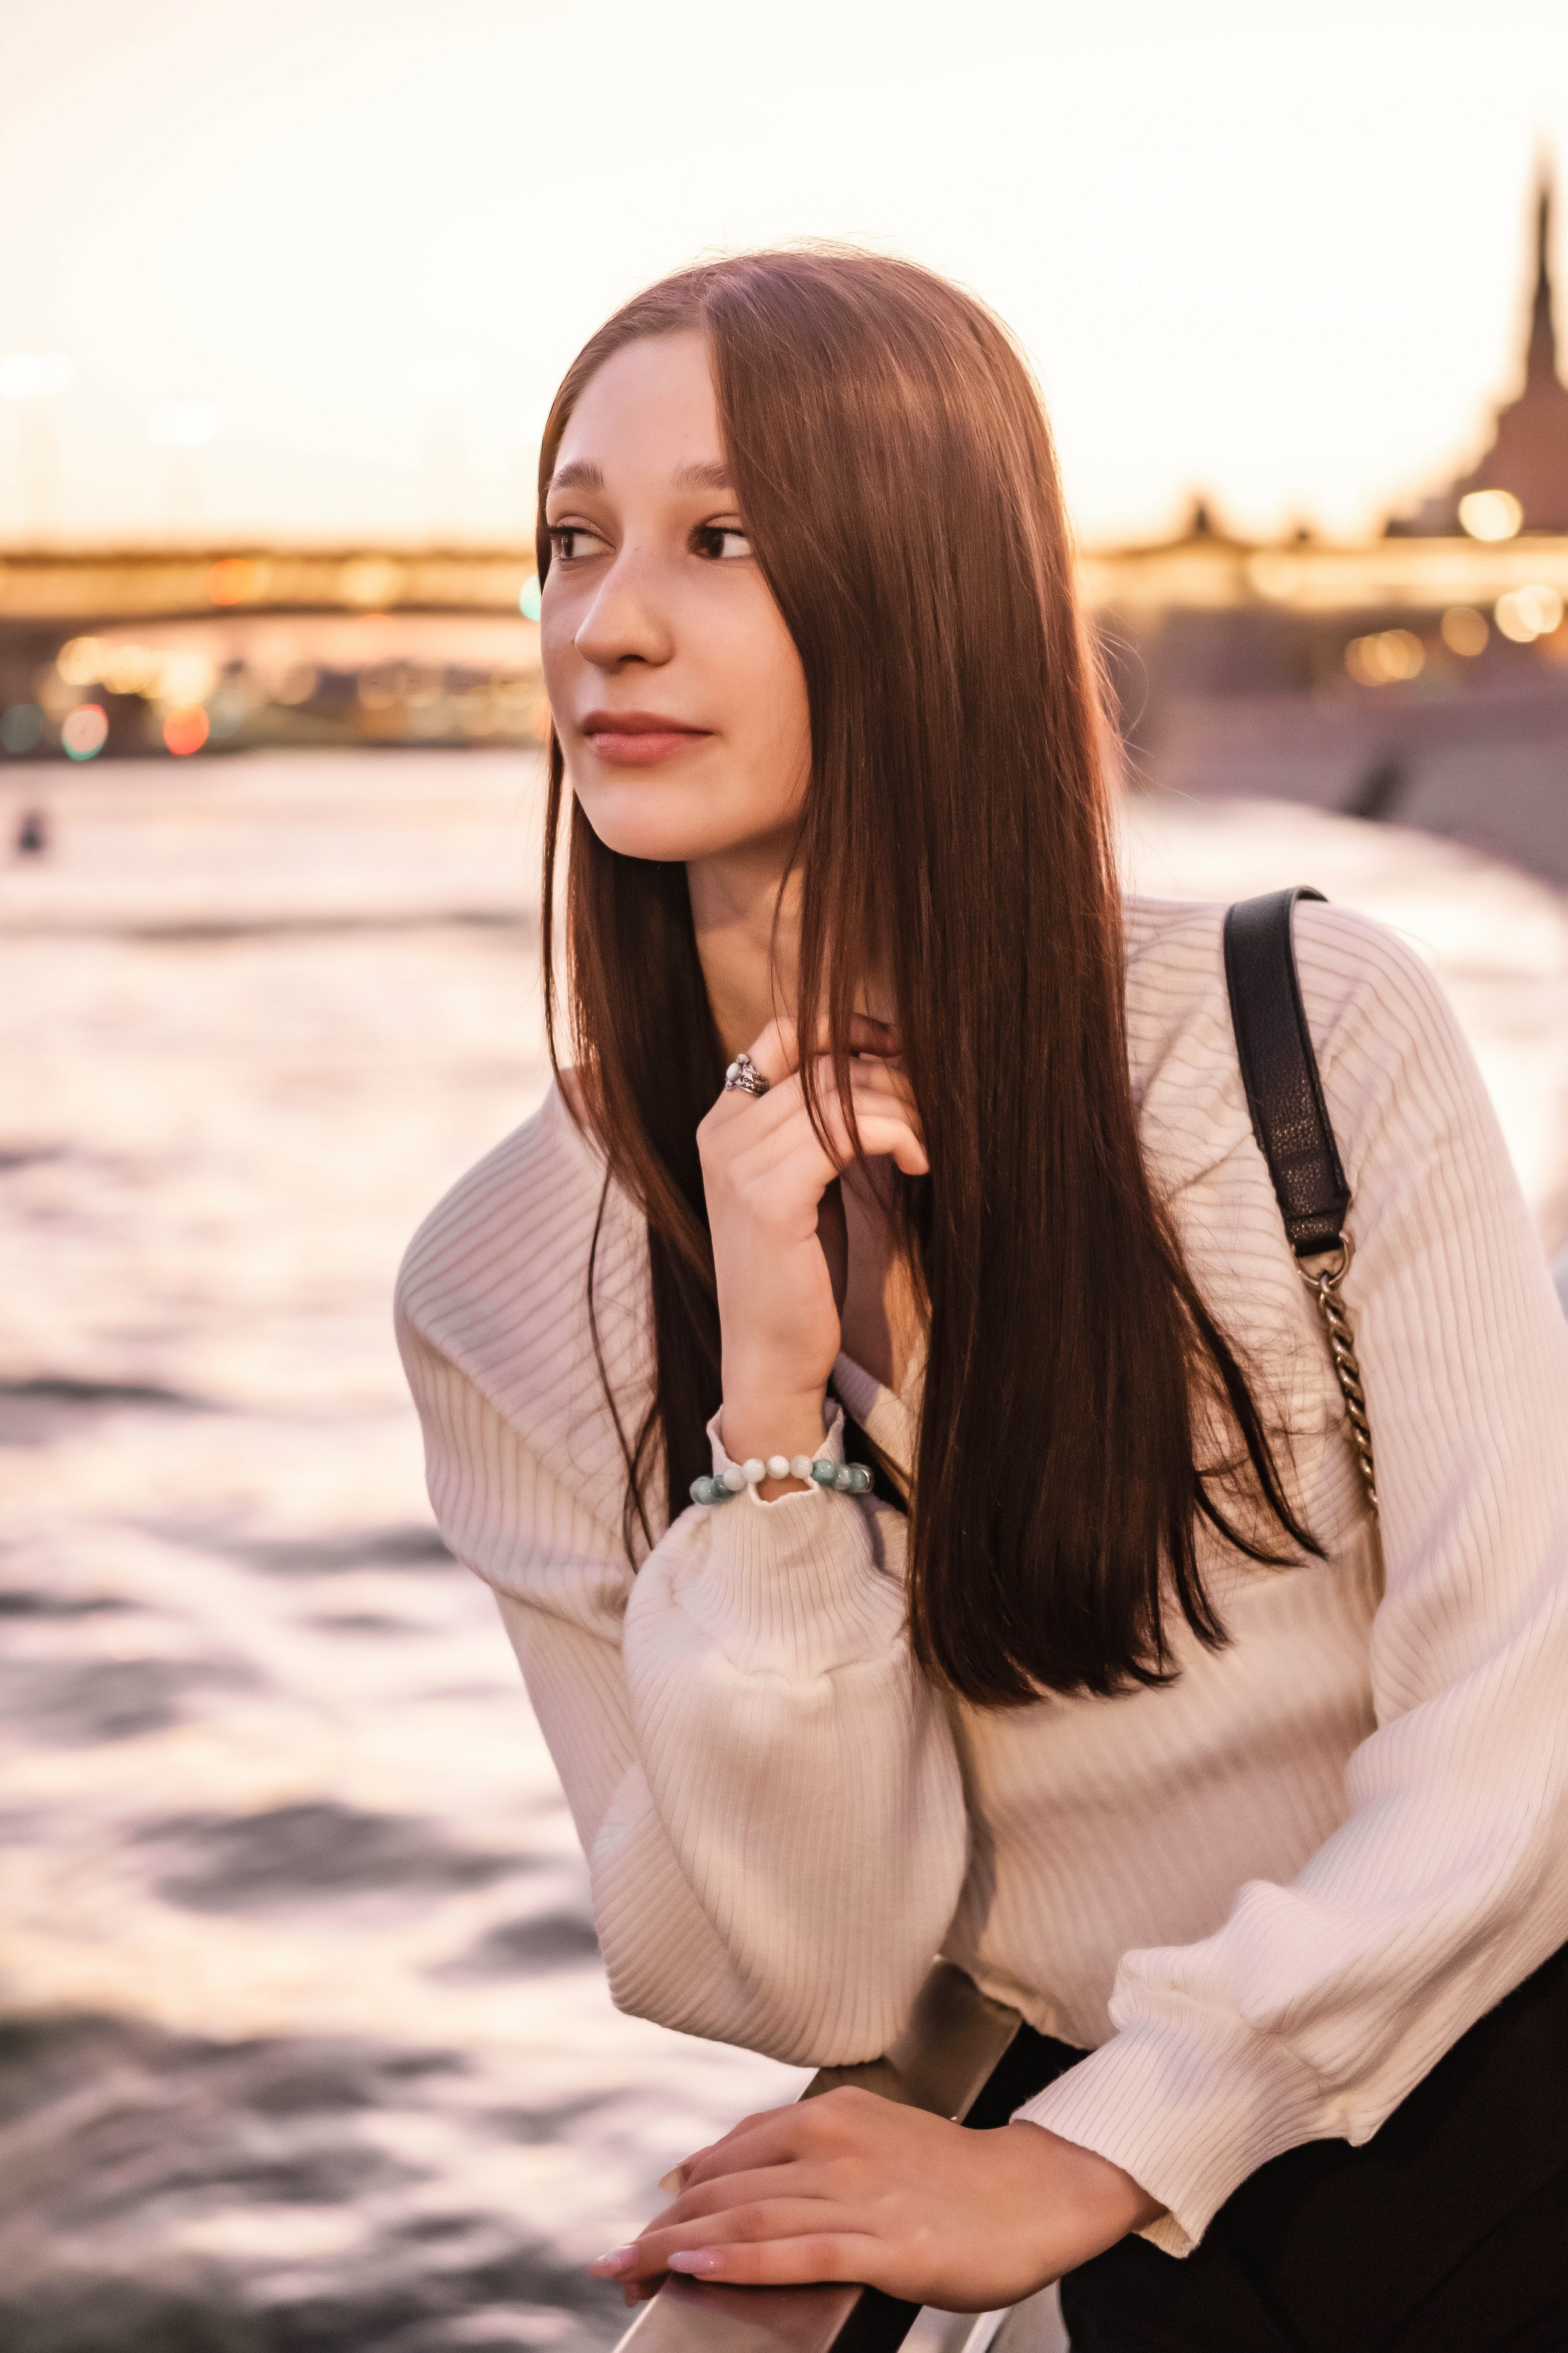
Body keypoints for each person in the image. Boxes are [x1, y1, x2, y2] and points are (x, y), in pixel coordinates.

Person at [396, 251, 1568, 2349]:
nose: (609, 621)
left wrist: (1102, 2146)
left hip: (1481, 2117)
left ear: (932, 589)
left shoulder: (1300, 1031)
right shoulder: (507, 1279)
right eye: (572, 540)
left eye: (723, 537)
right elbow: (819, 1979)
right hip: (1128, 2247)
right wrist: (772, 1416)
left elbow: (1525, 1726)